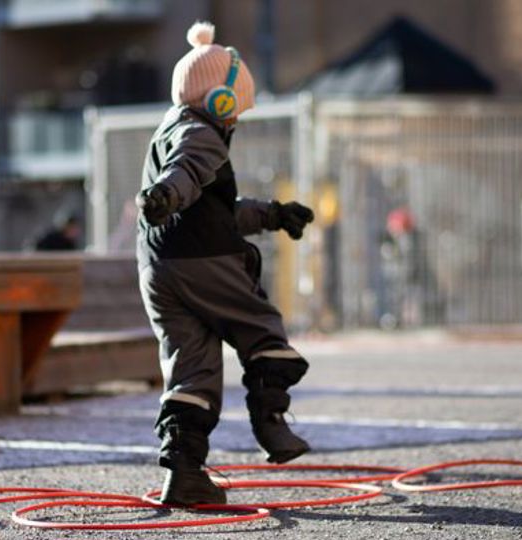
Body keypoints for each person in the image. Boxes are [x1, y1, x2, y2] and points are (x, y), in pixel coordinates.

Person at [134, 21, 315, 506]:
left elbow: (215, 209)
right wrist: (166, 194)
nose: (236, 121)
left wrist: (273, 214)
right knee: (263, 331)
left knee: (190, 371)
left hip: (159, 268)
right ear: (219, 101)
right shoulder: (202, 132)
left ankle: (185, 474)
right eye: (237, 110)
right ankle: (272, 425)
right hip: (204, 261)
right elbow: (187, 172)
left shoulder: (169, 129)